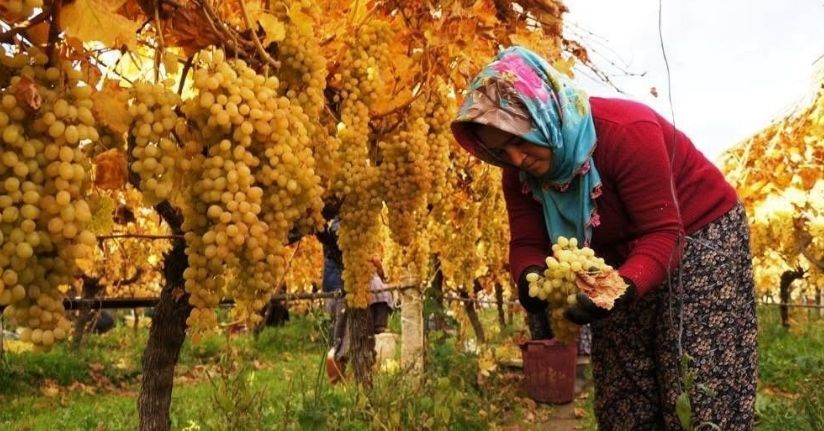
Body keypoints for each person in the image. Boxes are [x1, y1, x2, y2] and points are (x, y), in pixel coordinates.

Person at [450, 46, 757, 430]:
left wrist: (620, 287)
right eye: (499, 150)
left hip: (696, 235)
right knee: (624, 389)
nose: (514, 158)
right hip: (615, 252)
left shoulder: (625, 132)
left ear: (545, 116)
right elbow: (526, 243)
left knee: (695, 375)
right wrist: (531, 280)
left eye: (519, 140)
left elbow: (663, 233)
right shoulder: (520, 173)